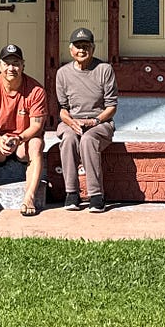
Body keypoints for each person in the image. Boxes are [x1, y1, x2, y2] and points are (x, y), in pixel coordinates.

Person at [0, 43, 47, 217]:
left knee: (36, 144)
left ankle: (29, 198)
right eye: (7, 64)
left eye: (16, 63)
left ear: (23, 65)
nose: (11, 68)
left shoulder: (36, 90)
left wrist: (19, 138)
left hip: (23, 141)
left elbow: (37, 125)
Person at [55, 26, 118, 213]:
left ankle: (96, 195)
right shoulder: (63, 73)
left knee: (88, 140)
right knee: (68, 139)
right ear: (71, 49)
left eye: (86, 46)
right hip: (72, 122)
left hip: (99, 122)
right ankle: (71, 193)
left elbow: (111, 107)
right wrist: (70, 122)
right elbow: (62, 109)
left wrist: (94, 122)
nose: (81, 50)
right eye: (78, 46)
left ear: (93, 48)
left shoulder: (104, 70)